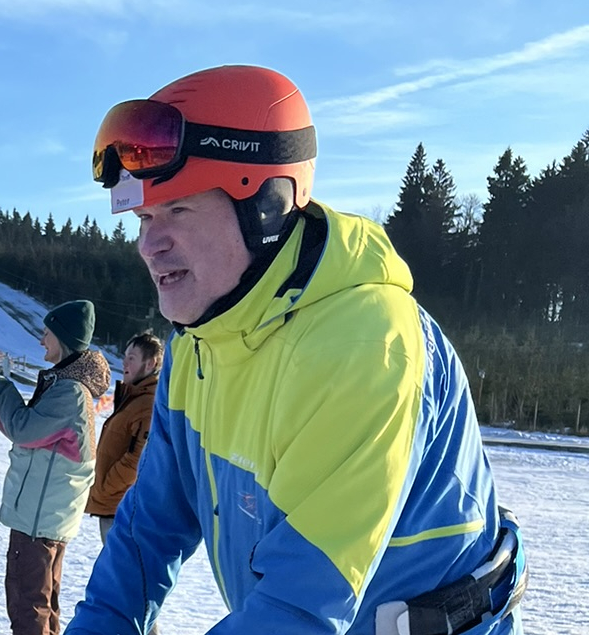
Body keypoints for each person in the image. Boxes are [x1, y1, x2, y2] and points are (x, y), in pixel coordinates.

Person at [71, 65, 524, 635]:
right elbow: (147, 535)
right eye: (144, 218)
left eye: (178, 211)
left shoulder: (364, 345)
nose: (148, 246)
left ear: (265, 206)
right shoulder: (197, 347)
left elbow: (296, 608)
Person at [0, 300, 110, 635]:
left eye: (46, 333)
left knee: (29, 606)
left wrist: (0, 384)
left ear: (62, 338)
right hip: (43, 518)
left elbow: (22, 429)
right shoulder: (64, 387)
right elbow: (25, 434)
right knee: (41, 606)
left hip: (39, 520)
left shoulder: (69, 392)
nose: (40, 341)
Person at [86, 332, 161, 542]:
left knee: (123, 561)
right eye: (125, 356)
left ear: (150, 364)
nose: (124, 362)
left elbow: (138, 459)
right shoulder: (134, 399)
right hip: (114, 504)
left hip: (123, 507)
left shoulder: (147, 404)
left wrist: (106, 487)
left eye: (132, 358)